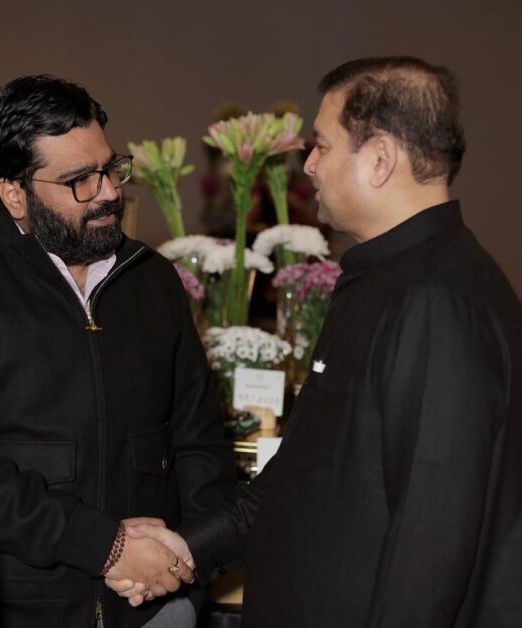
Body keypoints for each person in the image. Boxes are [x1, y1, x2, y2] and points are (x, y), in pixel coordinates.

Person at [118, 56, 522, 628]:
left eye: (322, 146)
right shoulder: (387, 277)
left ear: (380, 158)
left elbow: (430, 548)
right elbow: (302, 472)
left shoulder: (438, 300)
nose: (308, 165)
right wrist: (187, 548)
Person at [0, 74, 236, 628]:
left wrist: (192, 554)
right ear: (14, 193)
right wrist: (107, 547)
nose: (107, 192)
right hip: (17, 610)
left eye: (110, 168)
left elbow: (199, 444)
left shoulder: (152, 279)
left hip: (155, 606)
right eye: (80, 179)